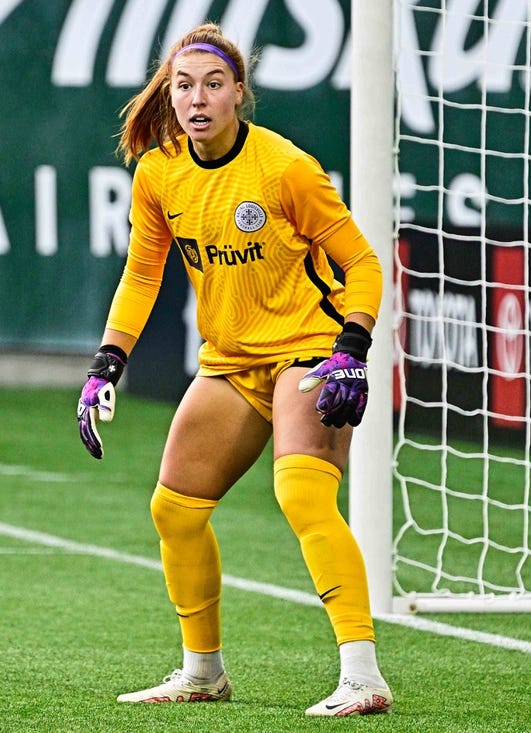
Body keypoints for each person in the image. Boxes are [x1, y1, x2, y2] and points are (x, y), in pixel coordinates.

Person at [76, 23, 392, 717]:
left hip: (311, 347)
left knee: (303, 494)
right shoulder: (160, 172)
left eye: (213, 85)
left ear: (239, 94)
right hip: (232, 359)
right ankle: (203, 672)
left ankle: (363, 674)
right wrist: (107, 363)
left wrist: (354, 347)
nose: (197, 98)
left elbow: (364, 264)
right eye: (184, 85)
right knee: (174, 508)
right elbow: (141, 274)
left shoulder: (284, 167)